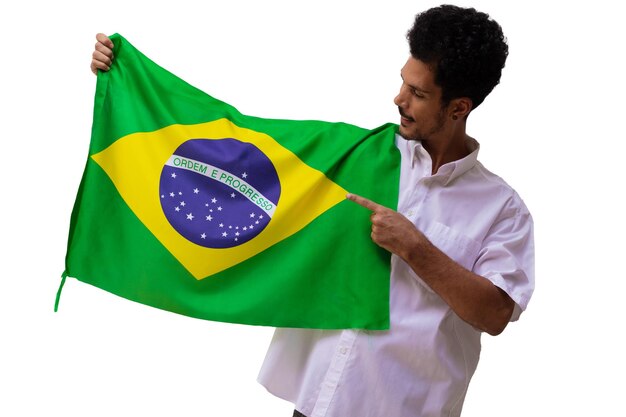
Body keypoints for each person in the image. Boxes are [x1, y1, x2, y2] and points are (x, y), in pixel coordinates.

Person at [91, 5, 534, 416]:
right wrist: (126, 77)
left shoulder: (501, 209)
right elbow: (238, 147)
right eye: (403, 81)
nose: (398, 99)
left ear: (459, 108)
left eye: (417, 93)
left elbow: (495, 314)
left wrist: (416, 248)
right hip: (318, 400)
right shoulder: (352, 158)